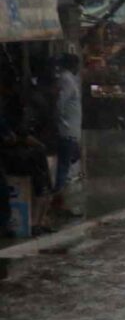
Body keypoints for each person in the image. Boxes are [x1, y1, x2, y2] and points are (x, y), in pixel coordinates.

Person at [0, 120, 55, 236]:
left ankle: (36, 222)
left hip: (19, 154)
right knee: (40, 188)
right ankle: (35, 223)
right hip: (21, 156)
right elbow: (15, 135)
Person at [54, 54, 83, 196]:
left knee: (69, 163)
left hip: (71, 131)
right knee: (63, 168)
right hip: (67, 131)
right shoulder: (66, 80)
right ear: (73, 65)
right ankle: (58, 201)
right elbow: (59, 104)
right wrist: (63, 123)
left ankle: (59, 199)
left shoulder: (69, 79)